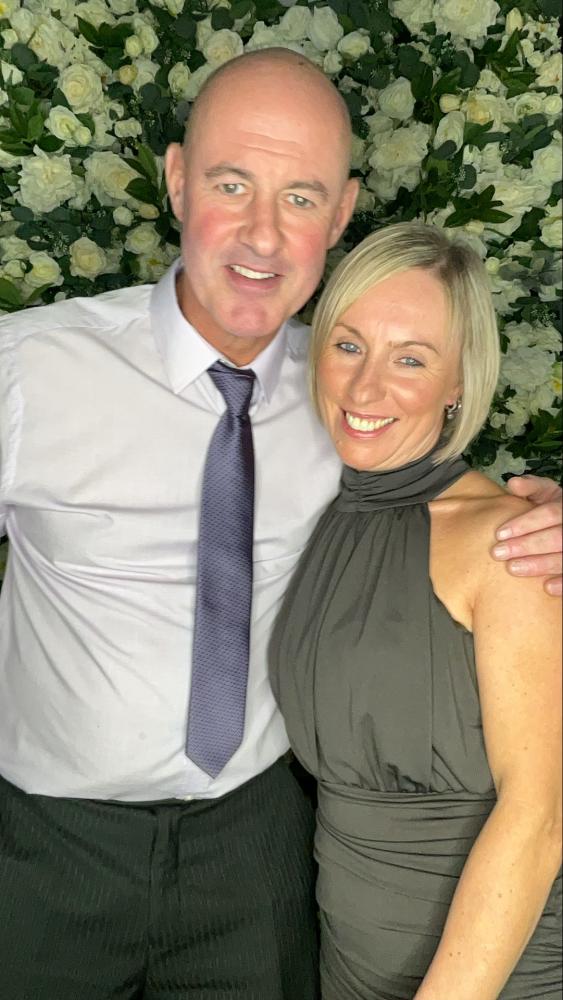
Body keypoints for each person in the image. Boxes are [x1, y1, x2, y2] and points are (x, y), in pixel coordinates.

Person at [0, 49, 560, 1000]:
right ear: (178, 181)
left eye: (299, 197)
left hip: (258, 845)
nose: (262, 233)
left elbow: (446, 501)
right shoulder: (29, 370)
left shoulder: (345, 394)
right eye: (231, 184)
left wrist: (542, 514)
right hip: (49, 844)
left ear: (340, 216)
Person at [269, 221, 562, 1000]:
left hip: (491, 975)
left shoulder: (511, 545)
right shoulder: (321, 515)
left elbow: (539, 819)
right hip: (347, 961)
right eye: (348, 345)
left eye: (410, 359)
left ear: (458, 380)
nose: (364, 389)